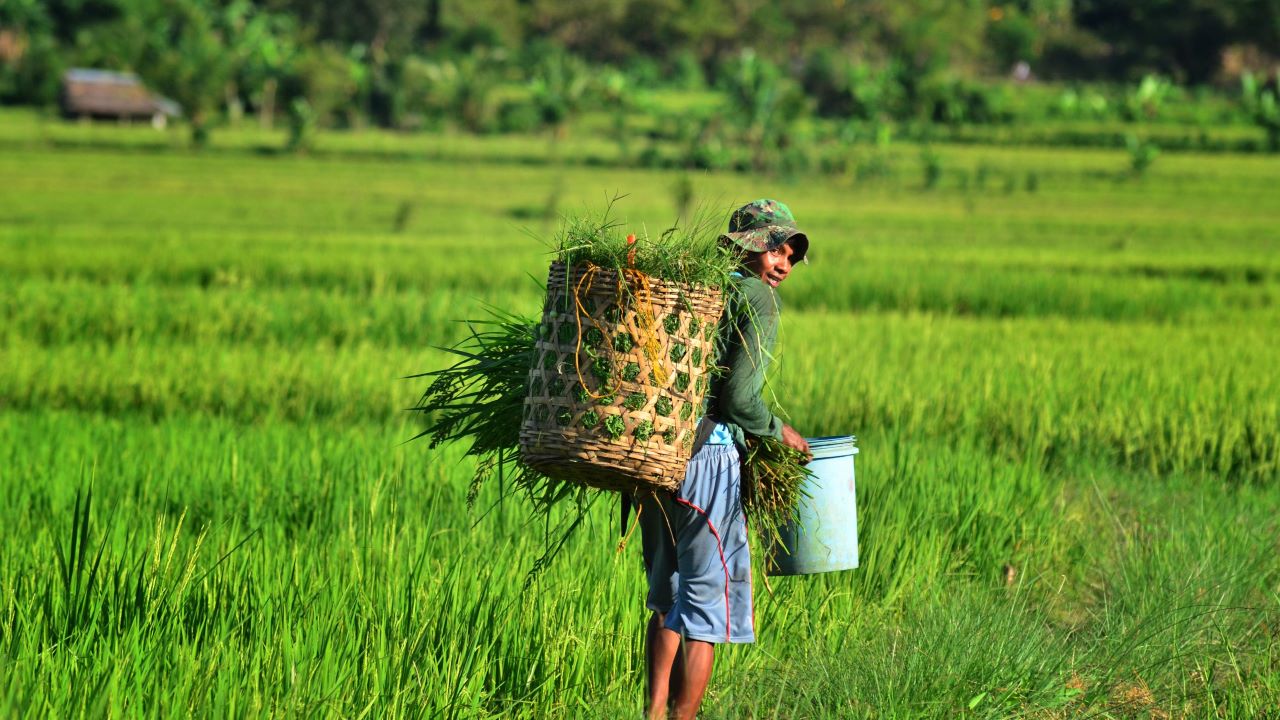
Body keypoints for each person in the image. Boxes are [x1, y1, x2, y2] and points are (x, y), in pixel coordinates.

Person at [637, 199, 811, 719]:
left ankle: (654, 713)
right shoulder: (755, 297)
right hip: (706, 458)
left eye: (789, 253)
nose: (782, 262)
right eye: (775, 248)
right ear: (752, 248)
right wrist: (781, 433)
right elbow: (738, 399)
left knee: (667, 592)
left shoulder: (702, 286)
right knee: (707, 604)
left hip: (655, 449)